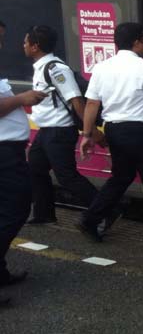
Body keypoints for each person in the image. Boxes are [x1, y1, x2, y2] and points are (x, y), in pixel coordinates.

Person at [76, 22, 143, 245]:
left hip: (114, 130)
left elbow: (92, 104)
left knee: (120, 178)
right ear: (137, 41)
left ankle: (89, 218)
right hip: (140, 131)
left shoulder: (101, 68)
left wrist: (87, 134)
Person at [24, 25, 103, 225]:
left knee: (66, 176)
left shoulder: (55, 69)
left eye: (26, 42)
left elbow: (76, 99)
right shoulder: (42, 67)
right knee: (35, 168)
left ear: (35, 46)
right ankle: (44, 214)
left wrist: (88, 132)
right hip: (46, 132)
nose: (23, 45)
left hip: (59, 131)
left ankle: (104, 210)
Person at [0, 20, 48, 306]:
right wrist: (22, 98)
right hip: (3, 154)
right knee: (16, 208)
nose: (1, 44)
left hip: (9, 151)